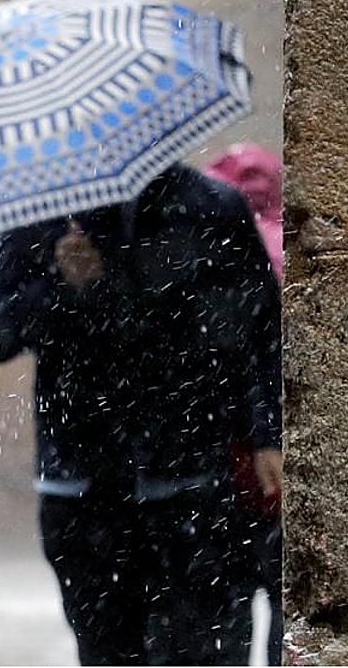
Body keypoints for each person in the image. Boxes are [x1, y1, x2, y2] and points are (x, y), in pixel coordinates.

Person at [0, 162, 282, 665]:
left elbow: (259, 329)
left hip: (194, 481)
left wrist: (266, 431)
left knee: (202, 653)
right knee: (107, 655)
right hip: (84, 487)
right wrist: (63, 284)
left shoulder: (211, 206)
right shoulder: (42, 213)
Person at [204, 142, 285, 665]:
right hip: (280, 465)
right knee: (290, 607)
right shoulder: (289, 250)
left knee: (222, 615)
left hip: (216, 464)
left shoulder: (208, 250)